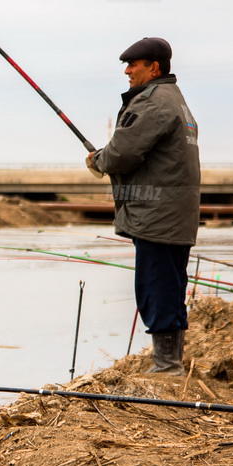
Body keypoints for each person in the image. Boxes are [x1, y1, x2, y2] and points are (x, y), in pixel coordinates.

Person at [86, 37, 200, 375]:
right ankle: (170, 360)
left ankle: (167, 366)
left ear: (155, 67)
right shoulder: (175, 101)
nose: (127, 71)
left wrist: (98, 161)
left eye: (133, 65)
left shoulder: (154, 103)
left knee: (156, 285)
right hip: (172, 213)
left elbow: (123, 153)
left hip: (158, 215)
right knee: (168, 283)